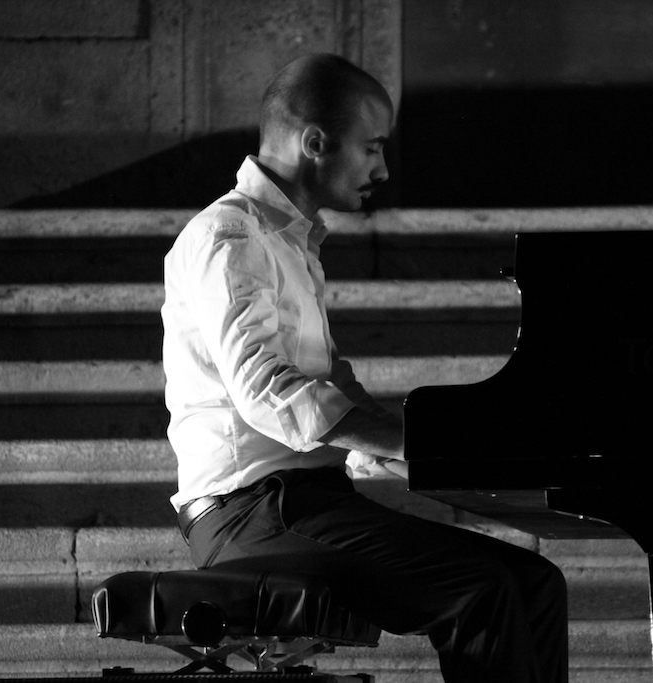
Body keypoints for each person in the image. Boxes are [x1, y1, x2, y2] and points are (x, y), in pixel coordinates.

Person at [161, 53, 568, 682]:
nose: (382, 169)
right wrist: (407, 442)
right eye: (372, 147)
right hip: (250, 513)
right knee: (482, 591)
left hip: (303, 502)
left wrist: (444, 455)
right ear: (315, 143)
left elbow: (333, 391)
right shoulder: (231, 236)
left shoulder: (290, 243)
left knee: (535, 581)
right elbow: (266, 390)